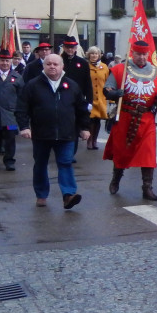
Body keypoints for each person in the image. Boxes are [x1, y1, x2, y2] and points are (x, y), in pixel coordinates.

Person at [16, 53, 91, 208]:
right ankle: (41, 195)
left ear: (62, 66)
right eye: (49, 64)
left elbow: (81, 109)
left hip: (66, 133)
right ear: (44, 66)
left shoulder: (71, 85)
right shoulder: (33, 85)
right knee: (41, 164)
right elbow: (22, 108)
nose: (52, 66)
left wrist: (84, 128)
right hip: (41, 133)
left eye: (55, 64)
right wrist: (24, 127)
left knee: (65, 162)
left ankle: (69, 195)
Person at [103, 40, 157, 200]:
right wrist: (113, 93)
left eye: (145, 54)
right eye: (138, 54)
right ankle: (116, 178)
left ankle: (147, 188)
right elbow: (108, 89)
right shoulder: (119, 70)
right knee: (121, 151)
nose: (142, 57)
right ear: (133, 53)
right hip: (125, 116)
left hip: (146, 119)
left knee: (148, 153)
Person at [85, 46, 109, 150]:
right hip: (89, 98)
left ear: (99, 55)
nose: (94, 55)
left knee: (98, 120)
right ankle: (89, 141)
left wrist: (111, 98)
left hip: (101, 98)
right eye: (92, 53)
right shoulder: (85, 66)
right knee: (90, 120)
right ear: (88, 55)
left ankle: (95, 140)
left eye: (96, 54)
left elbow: (108, 82)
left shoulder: (104, 67)